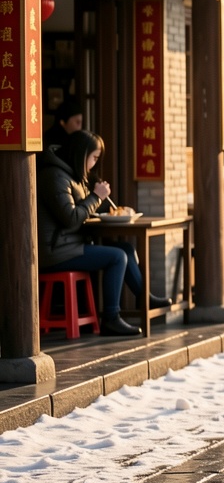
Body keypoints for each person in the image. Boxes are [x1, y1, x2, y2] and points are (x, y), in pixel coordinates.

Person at [37, 130, 169, 337]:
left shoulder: (71, 175)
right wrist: (96, 197)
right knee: (117, 257)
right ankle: (111, 318)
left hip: (69, 244)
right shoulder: (54, 176)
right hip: (56, 251)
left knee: (125, 248)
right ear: (81, 155)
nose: (94, 164)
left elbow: (80, 211)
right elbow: (71, 218)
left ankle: (144, 297)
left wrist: (97, 199)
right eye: (94, 158)